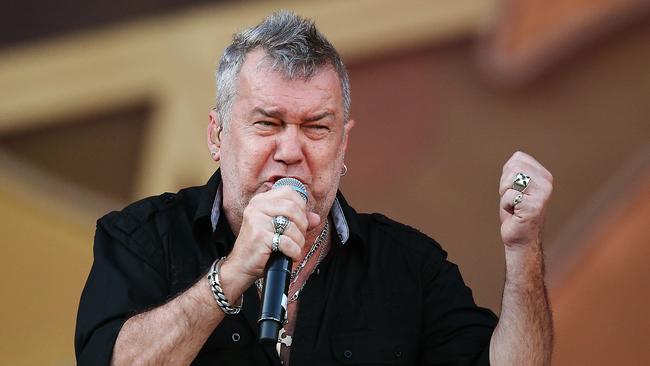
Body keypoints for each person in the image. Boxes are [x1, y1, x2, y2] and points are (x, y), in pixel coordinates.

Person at [75, 10, 553, 366]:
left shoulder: (410, 266)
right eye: (267, 123)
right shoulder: (141, 238)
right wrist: (235, 272)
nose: (291, 149)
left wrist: (524, 249)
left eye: (316, 128)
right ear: (217, 136)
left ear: (343, 144)